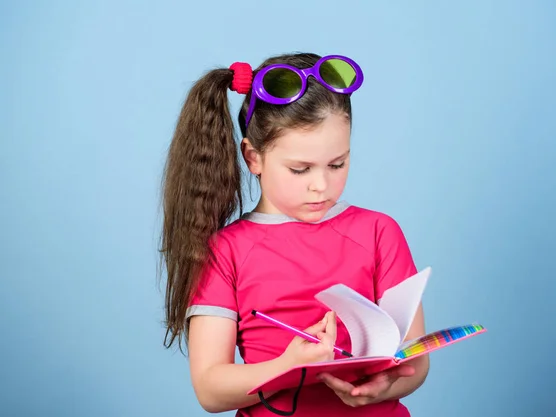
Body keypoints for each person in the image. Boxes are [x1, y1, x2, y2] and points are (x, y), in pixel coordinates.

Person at [160, 52, 429, 416]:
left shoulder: (380, 231)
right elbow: (210, 390)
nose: (321, 185)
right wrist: (288, 367)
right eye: (300, 169)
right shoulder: (226, 251)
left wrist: (388, 386)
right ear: (253, 158)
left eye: (337, 164)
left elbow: (416, 359)